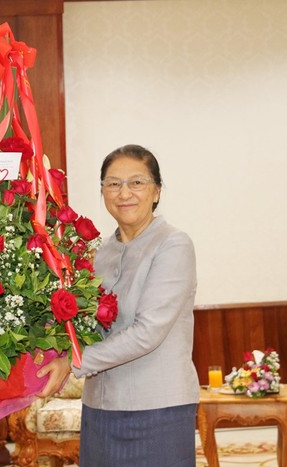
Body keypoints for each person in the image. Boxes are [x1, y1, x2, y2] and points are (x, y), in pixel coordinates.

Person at [57, 144, 200, 465]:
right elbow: (86, 325)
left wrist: (71, 362)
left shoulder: (173, 245)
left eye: (137, 182)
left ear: (157, 191)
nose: (124, 193)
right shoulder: (101, 253)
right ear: (103, 191)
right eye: (113, 183)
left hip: (157, 408)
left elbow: (148, 332)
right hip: (101, 407)